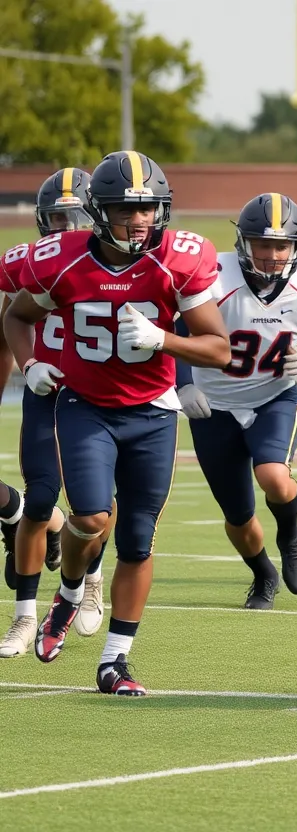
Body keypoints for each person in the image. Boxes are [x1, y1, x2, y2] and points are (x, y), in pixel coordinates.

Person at [3, 150, 231, 694]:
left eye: (149, 208)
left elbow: (219, 349)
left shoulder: (181, 258)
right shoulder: (59, 257)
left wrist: (165, 340)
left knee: (138, 539)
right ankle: (73, 588)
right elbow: (16, 315)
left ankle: (115, 661)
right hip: (85, 404)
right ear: (99, 211)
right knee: (88, 517)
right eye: (127, 209)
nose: (141, 220)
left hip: (153, 411)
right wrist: (30, 363)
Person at [176, 193, 297, 609]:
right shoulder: (212, 277)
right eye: (262, 245)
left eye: (280, 246)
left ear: (296, 248)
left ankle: (290, 534)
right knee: (238, 515)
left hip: (274, 398)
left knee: (273, 475)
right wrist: (183, 384)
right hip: (211, 404)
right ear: (243, 244)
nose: (271, 255)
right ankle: (262, 574)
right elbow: (176, 335)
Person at [0, 168, 109, 658]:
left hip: (101, 394)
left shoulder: (116, 261)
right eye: (57, 218)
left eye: (77, 215)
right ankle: (24, 618)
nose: (67, 226)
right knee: (41, 497)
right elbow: (10, 321)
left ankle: (91, 578)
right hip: (46, 388)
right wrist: (27, 365)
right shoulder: (25, 261)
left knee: (97, 505)